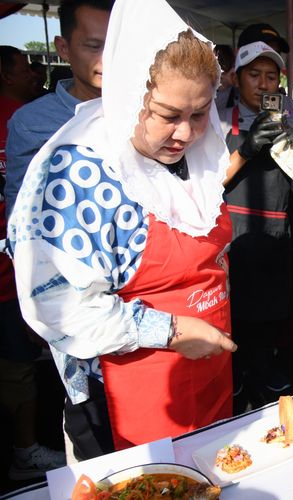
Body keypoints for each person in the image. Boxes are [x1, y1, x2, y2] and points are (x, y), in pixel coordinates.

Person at [8, 0, 238, 458]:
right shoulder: (80, 171)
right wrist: (169, 330)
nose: (187, 134)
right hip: (123, 390)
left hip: (208, 371)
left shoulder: (195, 154)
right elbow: (60, 307)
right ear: (129, 92)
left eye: (199, 114)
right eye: (168, 114)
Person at [222, 41, 293, 405]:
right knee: (230, 310)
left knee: (269, 309)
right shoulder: (215, 112)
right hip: (229, 226)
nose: (262, 84)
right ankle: (233, 373)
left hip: (274, 226)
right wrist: (246, 148)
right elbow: (205, 178)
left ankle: (261, 368)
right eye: (254, 75)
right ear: (237, 78)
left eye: (271, 77)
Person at [1, 44, 66, 478]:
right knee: (16, 367)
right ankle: (24, 450)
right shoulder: (25, 120)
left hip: (21, 275)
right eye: (25, 68)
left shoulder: (23, 114)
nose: (33, 73)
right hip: (16, 275)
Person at [5, 0, 113, 218]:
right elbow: (21, 213)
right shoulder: (31, 123)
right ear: (63, 48)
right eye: (94, 46)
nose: (108, 57)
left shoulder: (150, 110)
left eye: (116, 45)